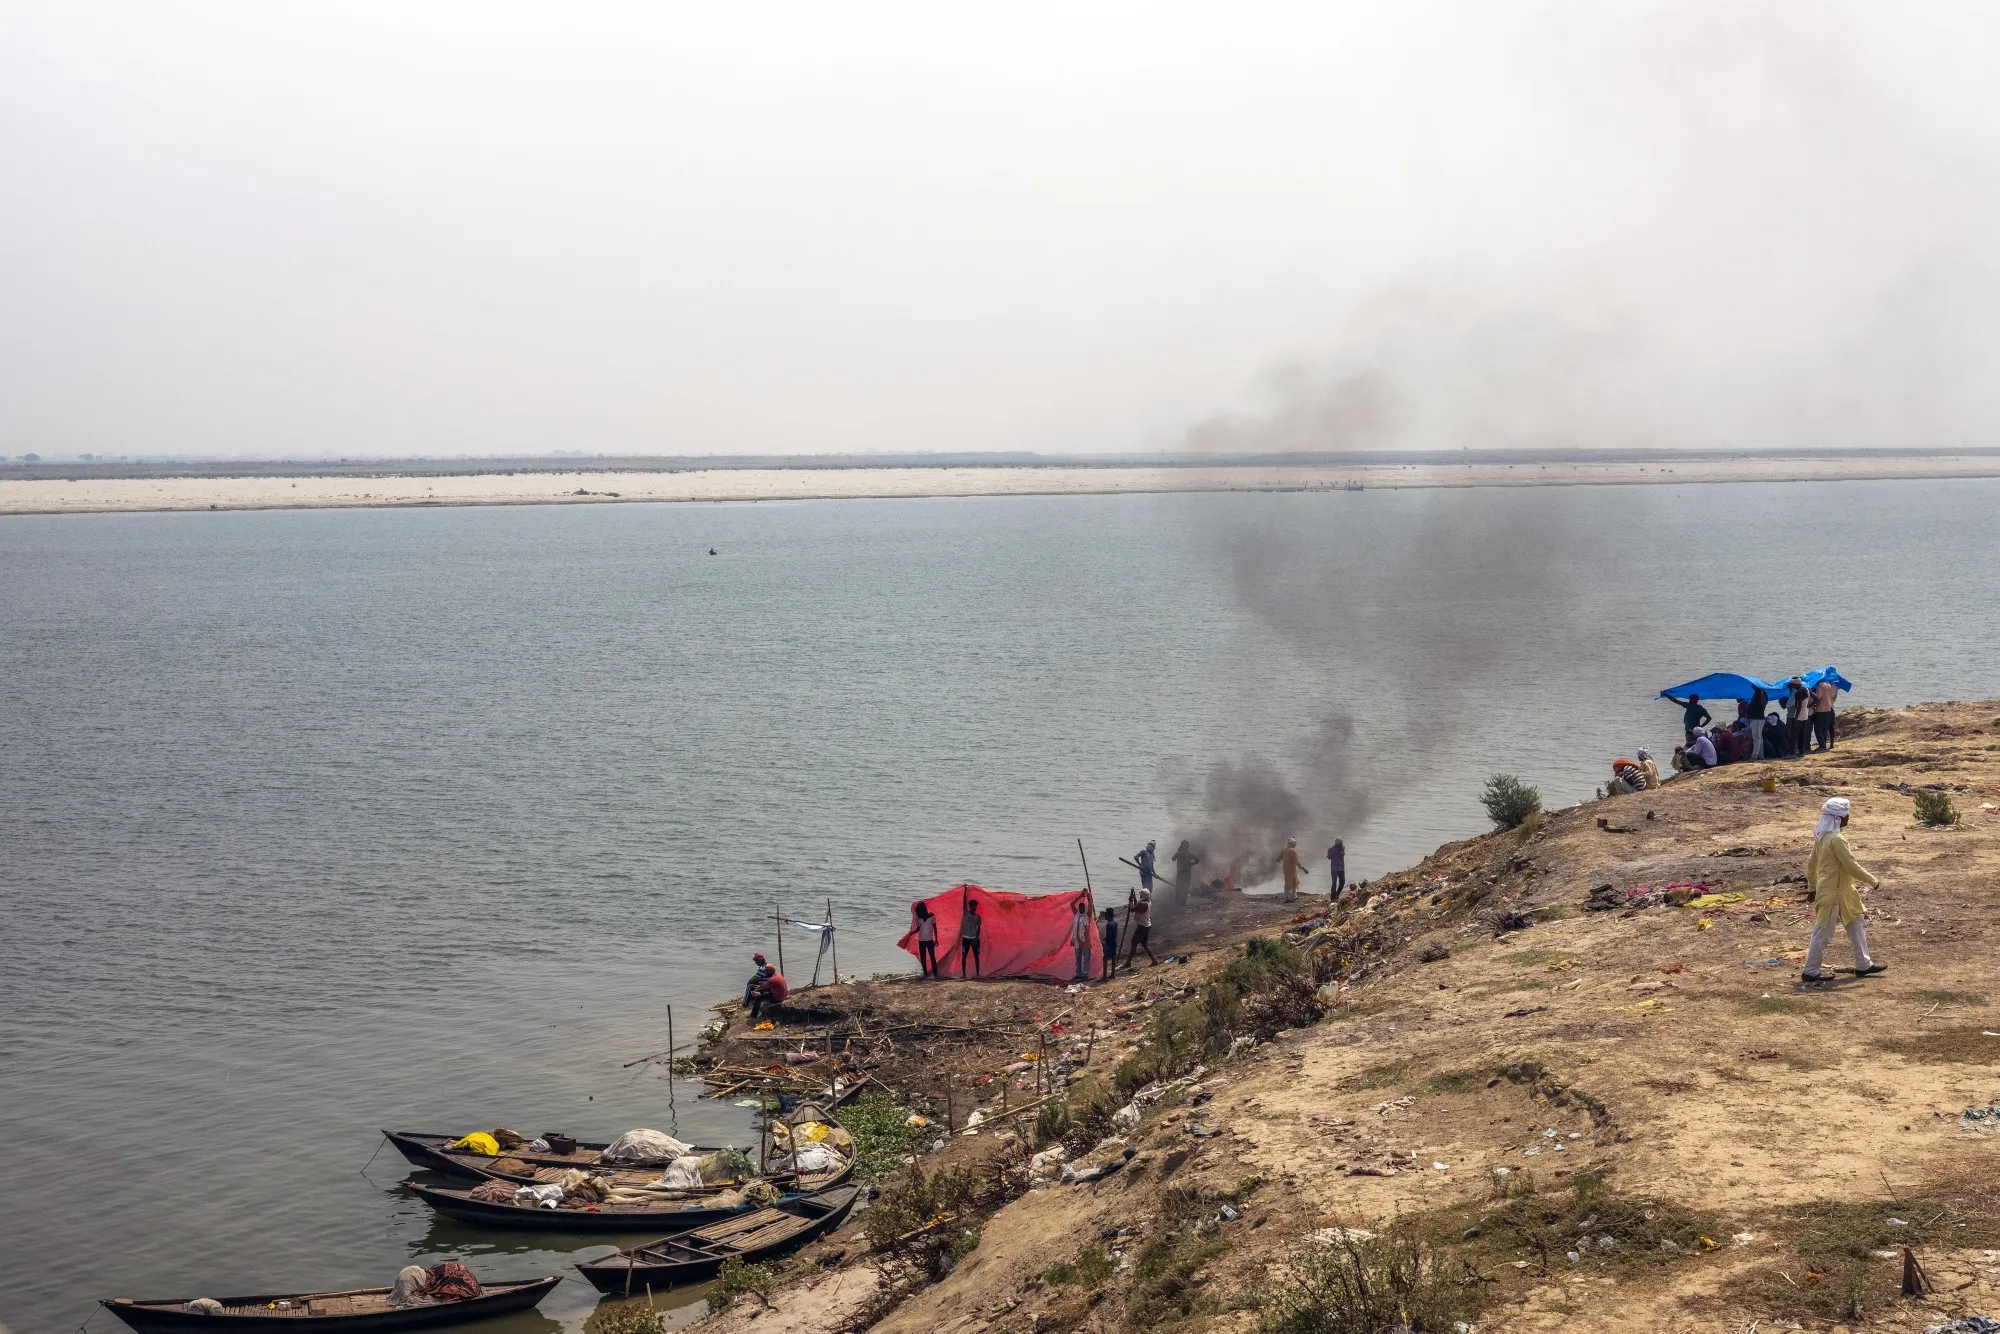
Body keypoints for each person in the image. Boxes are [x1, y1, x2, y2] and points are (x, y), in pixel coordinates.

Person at [1802, 796, 1884, 982]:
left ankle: (1864, 965)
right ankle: (1810, 971)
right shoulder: (1836, 839)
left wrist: (1812, 887)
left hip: (1843, 891)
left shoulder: (1821, 836)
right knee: (1823, 932)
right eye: (1846, 816)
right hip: (1833, 894)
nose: (1848, 819)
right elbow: (1851, 866)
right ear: (1837, 818)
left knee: (1856, 924)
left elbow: (1811, 863)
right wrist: (1873, 881)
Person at [1124, 887, 1157, 968]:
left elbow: (1132, 909)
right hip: (1147, 925)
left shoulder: (1142, 904)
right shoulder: (1147, 902)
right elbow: (1137, 906)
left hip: (1142, 926)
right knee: (1145, 944)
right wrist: (1134, 898)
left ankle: (1128, 962)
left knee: (1134, 943)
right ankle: (1154, 960)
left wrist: (1130, 901)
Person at [1811, 675, 1839, 751]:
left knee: (1817, 728)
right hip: (1829, 708)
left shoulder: (1820, 685)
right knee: (1825, 728)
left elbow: (1819, 696)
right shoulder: (1830, 685)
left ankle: (1822, 745)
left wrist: (1811, 693)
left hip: (1821, 709)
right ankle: (1825, 745)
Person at [912, 904, 939, 978]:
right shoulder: (920, 919)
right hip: (922, 940)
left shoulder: (932, 916)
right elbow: (918, 929)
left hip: (928, 940)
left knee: (931, 957)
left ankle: (935, 974)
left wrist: (936, 939)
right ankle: (927, 973)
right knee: (925, 957)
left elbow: (935, 927)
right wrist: (912, 932)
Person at [1787, 677, 1811, 757]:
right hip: (1805, 715)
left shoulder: (1798, 693)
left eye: (1791, 684)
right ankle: (1801, 752)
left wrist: (1795, 718)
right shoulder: (1806, 689)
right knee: (1802, 735)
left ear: (1795, 684)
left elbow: (1799, 706)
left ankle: (1792, 753)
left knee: (1794, 735)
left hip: (1799, 716)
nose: (1790, 685)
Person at [1070, 898, 1093, 982]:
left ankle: (1085, 974)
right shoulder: (1076, 914)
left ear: (1085, 909)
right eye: (1080, 908)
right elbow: (1071, 904)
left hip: (1085, 941)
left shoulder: (1088, 915)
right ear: (1079, 909)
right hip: (1077, 941)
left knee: (1086, 958)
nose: (1082, 909)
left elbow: (1090, 903)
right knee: (1078, 958)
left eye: (1083, 908)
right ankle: (1079, 974)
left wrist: (1087, 896)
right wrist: (1080, 896)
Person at [1171, 839, 1200, 907]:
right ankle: (1183, 903)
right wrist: (1191, 864)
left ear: (1181, 845)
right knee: (1185, 888)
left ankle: (1176, 903)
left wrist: (1176, 856)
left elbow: (1173, 859)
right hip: (1187, 873)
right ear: (1187, 846)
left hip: (1180, 873)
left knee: (1178, 887)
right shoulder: (1190, 854)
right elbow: (1198, 860)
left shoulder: (1178, 853)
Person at [959, 898, 983, 978]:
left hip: (974, 939)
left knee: (976, 956)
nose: (974, 908)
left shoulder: (978, 917)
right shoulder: (965, 913)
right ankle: (963, 974)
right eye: (973, 907)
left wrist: (976, 937)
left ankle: (977, 974)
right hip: (965, 938)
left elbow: (979, 928)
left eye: (975, 907)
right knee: (964, 956)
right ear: (970, 906)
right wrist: (965, 890)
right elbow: (963, 903)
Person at [1279, 836, 1306, 902]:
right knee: (1289, 883)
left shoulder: (1284, 849)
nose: (1295, 845)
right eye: (1295, 843)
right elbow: (1296, 861)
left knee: (1292, 882)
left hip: (1286, 869)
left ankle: (1293, 896)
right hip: (1291, 870)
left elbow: (1279, 858)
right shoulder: (1293, 851)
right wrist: (1303, 868)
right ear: (1293, 844)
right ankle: (1287, 897)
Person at [1745, 685, 1768, 760]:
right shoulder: (1755, 693)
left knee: (1756, 737)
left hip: (1758, 718)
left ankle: (1754, 756)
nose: (1752, 686)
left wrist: (1762, 694)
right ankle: (1761, 755)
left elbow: (1764, 704)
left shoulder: (1763, 693)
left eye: (1753, 685)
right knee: (1759, 737)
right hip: (1754, 718)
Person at [1098, 907, 1119, 981]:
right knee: (1113, 958)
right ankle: (1113, 974)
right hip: (1114, 942)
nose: (1105, 916)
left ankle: (1104, 977)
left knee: (1105, 959)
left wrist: (1104, 940)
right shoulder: (1115, 922)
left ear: (1108, 915)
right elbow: (1114, 934)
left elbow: (1109, 935)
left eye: (1105, 914)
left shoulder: (1108, 924)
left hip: (1109, 943)